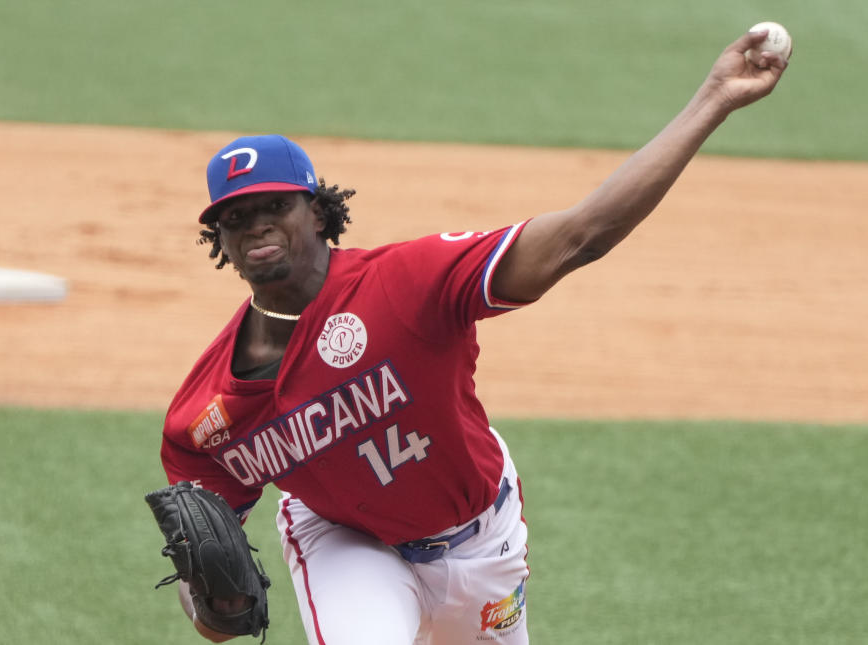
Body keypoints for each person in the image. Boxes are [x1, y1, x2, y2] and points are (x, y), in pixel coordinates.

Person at [155, 29, 788, 644]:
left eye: (275, 207)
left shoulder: (408, 283)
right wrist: (213, 605)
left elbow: (579, 236)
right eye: (234, 218)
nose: (255, 226)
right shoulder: (202, 417)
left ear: (317, 212)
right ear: (222, 244)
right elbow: (209, 607)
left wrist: (714, 99)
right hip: (345, 543)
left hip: (483, 538)